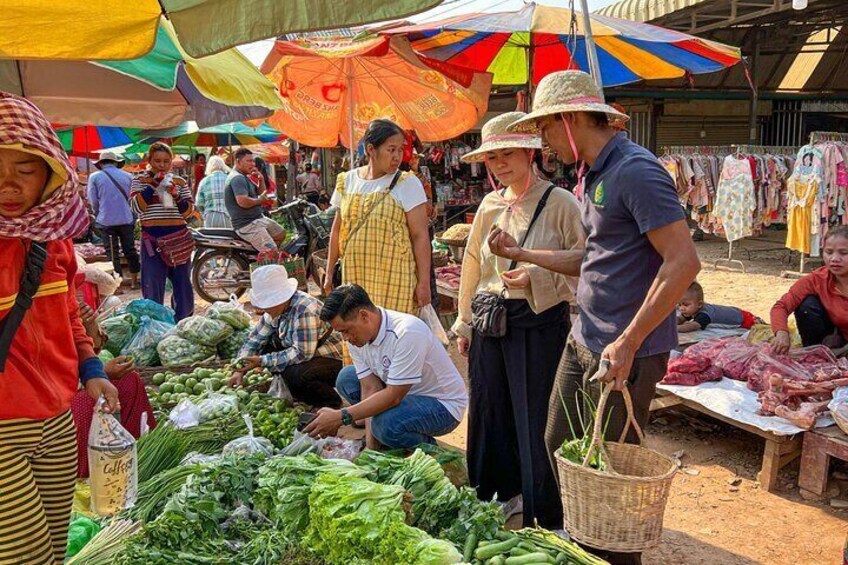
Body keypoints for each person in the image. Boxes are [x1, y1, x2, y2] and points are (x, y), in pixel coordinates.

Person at [498, 71, 700, 557]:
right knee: (558, 444)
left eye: (544, 129)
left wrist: (628, 342)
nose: (543, 142)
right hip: (584, 338)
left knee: (609, 474)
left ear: (568, 120)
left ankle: (613, 553)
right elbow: (591, 256)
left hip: (627, 352)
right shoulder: (592, 173)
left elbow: (683, 262)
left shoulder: (637, 170)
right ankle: (582, 537)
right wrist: (524, 255)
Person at [0, 92, 120, 564]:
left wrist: (92, 367)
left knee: (53, 547)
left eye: (24, 168)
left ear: (49, 172)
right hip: (4, 426)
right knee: (22, 553)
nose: (8, 182)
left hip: (55, 417)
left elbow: (66, 309)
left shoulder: (52, 240)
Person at [452, 112, 585, 528]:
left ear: (531, 152)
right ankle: (497, 496)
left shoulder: (562, 203)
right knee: (490, 411)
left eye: (508, 154)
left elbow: (585, 266)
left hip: (539, 324)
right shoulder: (489, 206)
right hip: (491, 320)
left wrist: (536, 277)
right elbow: (473, 265)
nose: (500, 165)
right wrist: (463, 322)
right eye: (492, 159)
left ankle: (544, 512)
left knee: (536, 417)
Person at [305, 284, 467, 449]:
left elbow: (394, 396)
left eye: (346, 331)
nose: (345, 338)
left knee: (385, 425)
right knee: (347, 377)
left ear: (364, 316)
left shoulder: (407, 332)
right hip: (402, 392)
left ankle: (430, 450)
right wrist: (370, 449)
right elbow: (369, 388)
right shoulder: (357, 337)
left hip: (442, 405)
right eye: (341, 332)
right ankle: (384, 432)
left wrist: (342, 416)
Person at [324, 119, 432, 318]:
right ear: (370, 149)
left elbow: (420, 236)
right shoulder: (347, 181)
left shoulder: (407, 183)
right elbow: (337, 229)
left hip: (395, 278)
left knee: (393, 336)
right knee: (359, 331)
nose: (397, 156)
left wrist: (423, 282)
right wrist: (329, 272)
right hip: (355, 277)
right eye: (391, 149)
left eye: (400, 150)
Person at [228, 265, 344, 407]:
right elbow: (254, 340)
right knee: (266, 348)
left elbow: (301, 354)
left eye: (268, 304)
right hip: (308, 352)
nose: (264, 309)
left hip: (333, 358)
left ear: (282, 298)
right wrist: (239, 370)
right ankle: (299, 392)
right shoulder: (273, 311)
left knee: (294, 376)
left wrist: (261, 361)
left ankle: (329, 401)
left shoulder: (304, 309)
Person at [71, 300, 157, 478]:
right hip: (39, 397)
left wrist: (88, 324)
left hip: (76, 378)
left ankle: (134, 459)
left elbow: (92, 348)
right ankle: (88, 477)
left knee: (129, 380)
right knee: (86, 404)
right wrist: (101, 374)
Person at [131, 142, 196, 320]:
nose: (162, 165)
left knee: (183, 287)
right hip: (152, 242)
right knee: (152, 288)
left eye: (166, 161)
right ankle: (155, 325)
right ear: (149, 161)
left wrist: (175, 195)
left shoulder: (179, 182)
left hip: (178, 241)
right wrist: (152, 185)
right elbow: (136, 207)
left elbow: (189, 211)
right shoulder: (140, 180)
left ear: (171, 162)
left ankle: (183, 322)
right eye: (157, 161)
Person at [771, 226, 848, 355]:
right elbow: (781, 306)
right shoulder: (818, 278)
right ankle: (816, 354)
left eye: (844, 253)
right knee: (806, 305)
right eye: (829, 252)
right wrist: (781, 332)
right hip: (838, 336)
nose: (834, 259)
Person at [87, 151, 140, 293]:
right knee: (130, 250)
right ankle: (135, 282)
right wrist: (133, 216)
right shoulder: (128, 176)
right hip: (126, 219)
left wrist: (99, 213)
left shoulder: (94, 177)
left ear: (101, 163)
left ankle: (117, 286)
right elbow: (134, 199)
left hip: (106, 221)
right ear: (116, 162)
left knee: (112, 253)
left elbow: (93, 200)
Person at [224, 147, 287, 252]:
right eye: (249, 161)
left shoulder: (244, 176)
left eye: (253, 160)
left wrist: (261, 180)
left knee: (281, 234)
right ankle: (267, 259)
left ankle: (261, 257)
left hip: (258, 219)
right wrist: (259, 201)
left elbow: (261, 193)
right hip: (248, 225)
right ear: (238, 162)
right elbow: (242, 201)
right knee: (272, 251)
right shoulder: (237, 178)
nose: (253, 164)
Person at [677, 281, 759, 333]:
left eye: (686, 305)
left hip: (744, 320)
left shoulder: (704, 315)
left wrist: (673, 329)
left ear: (699, 304)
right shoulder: (691, 310)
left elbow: (692, 326)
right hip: (736, 313)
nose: (681, 308)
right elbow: (680, 319)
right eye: (679, 304)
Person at [195, 155, 232, 228]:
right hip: (228, 216)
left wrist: (204, 215)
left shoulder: (204, 181)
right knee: (228, 239)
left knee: (212, 239)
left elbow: (199, 203)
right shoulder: (229, 179)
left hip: (210, 217)